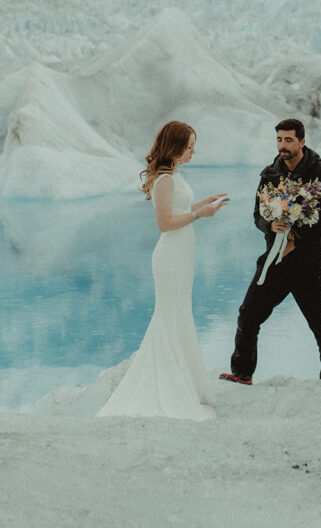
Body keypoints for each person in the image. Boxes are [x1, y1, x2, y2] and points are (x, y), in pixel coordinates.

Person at [97, 120, 228, 420]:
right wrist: (199, 214)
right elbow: (165, 223)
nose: (194, 151)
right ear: (175, 146)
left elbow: (179, 209)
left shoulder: (174, 175)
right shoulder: (165, 179)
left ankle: (184, 381)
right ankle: (171, 384)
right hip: (170, 256)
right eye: (189, 145)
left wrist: (202, 203)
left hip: (181, 254)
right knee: (170, 315)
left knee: (179, 314)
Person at [220, 118, 321, 384]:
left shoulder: (320, 173)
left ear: (302, 141)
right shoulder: (270, 173)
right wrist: (270, 225)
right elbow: (257, 215)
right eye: (279, 139)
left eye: (288, 140)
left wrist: (296, 238)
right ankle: (242, 374)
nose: (283, 145)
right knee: (248, 314)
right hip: (275, 261)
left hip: (308, 263)